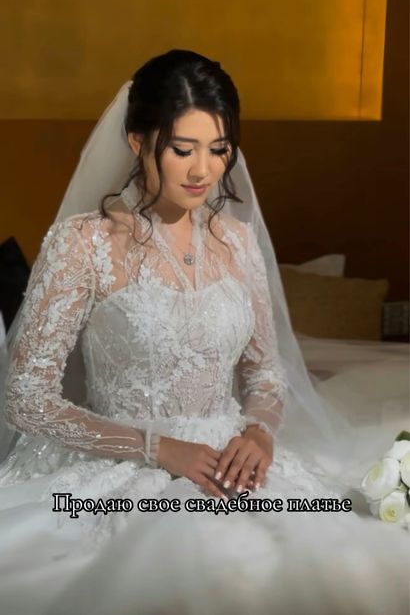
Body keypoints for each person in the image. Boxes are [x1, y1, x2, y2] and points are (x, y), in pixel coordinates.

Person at [0, 50, 408, 615]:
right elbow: (27, 398)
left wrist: (259, 434)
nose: (203, 171)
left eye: (219, 149)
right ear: (138, 141)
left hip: (232, 464)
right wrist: (157, 447)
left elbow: (265, 374)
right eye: (182, 149)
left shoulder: (237, 241)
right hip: (120, 469)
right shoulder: (83, 244)